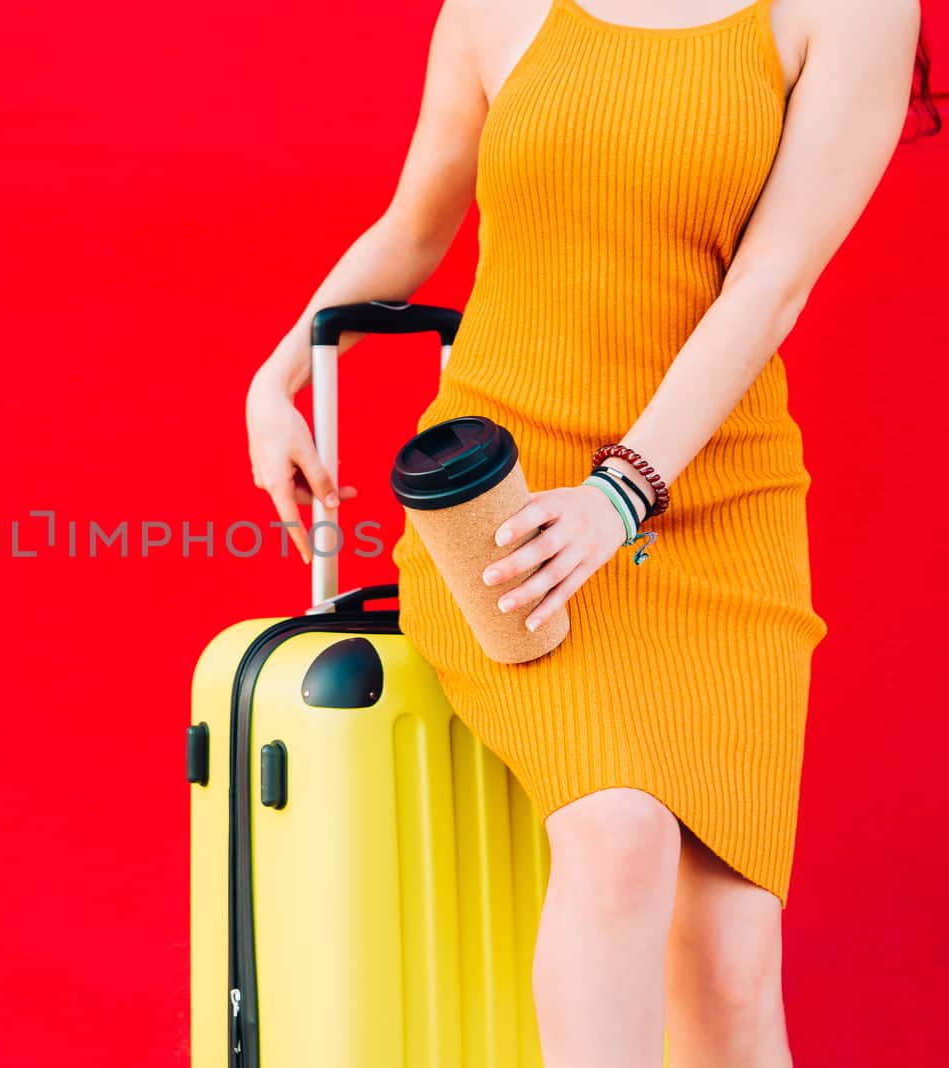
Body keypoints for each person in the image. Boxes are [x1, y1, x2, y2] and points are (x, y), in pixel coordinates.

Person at [243, 1, 934, 1065]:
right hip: (505, 512)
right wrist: (280, 371)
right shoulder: (493, 8)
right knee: (616, 839)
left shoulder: (848, 10)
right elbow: (416, 226)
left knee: (731, 967)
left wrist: (621, 494)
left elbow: (771, 282)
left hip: (713, 511)